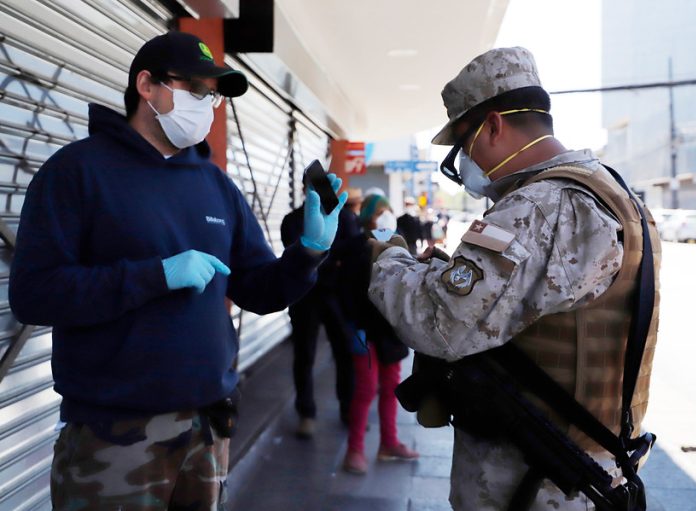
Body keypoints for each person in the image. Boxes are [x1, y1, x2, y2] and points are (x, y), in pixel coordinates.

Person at [8, 31, 347, 510]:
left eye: (214, 95)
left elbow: (259, 288)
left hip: (207, 430)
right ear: (147, 86)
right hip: (114, 436)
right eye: (196, 89)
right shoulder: (76, 173)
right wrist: (155, 275)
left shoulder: (214, 184)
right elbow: (34, 293)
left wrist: (309, 250)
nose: (208, 105)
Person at [366, 47, 661, 510]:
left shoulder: (539, 207)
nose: (466, 164)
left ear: (494, 126)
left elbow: (435, 324)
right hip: (590, 471)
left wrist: (388, 258)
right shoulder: (615, 193)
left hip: (534, 483)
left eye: (464, 147)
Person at [339, 194, 419, 474]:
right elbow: (345, 290)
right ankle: (355, 450)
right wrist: (352, 326)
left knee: (390, 389)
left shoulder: (398, 244)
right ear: (367, 216)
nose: (384, 217)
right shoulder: (354, 247)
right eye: (379, 212)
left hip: (390, 332)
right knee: (365, 390)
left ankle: (389, 443)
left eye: (388, 211)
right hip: (364, 331)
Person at [280, 184, 359, 437]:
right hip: (304, 297)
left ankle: (348, 409)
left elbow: (353, 250)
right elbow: (295, 256)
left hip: (336, 295)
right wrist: (329, 256)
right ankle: (306, 413)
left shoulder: (343, 216)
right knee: (304, 355)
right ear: (304, 190)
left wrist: (320, 255)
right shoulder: (292, 220)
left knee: (346, 352)